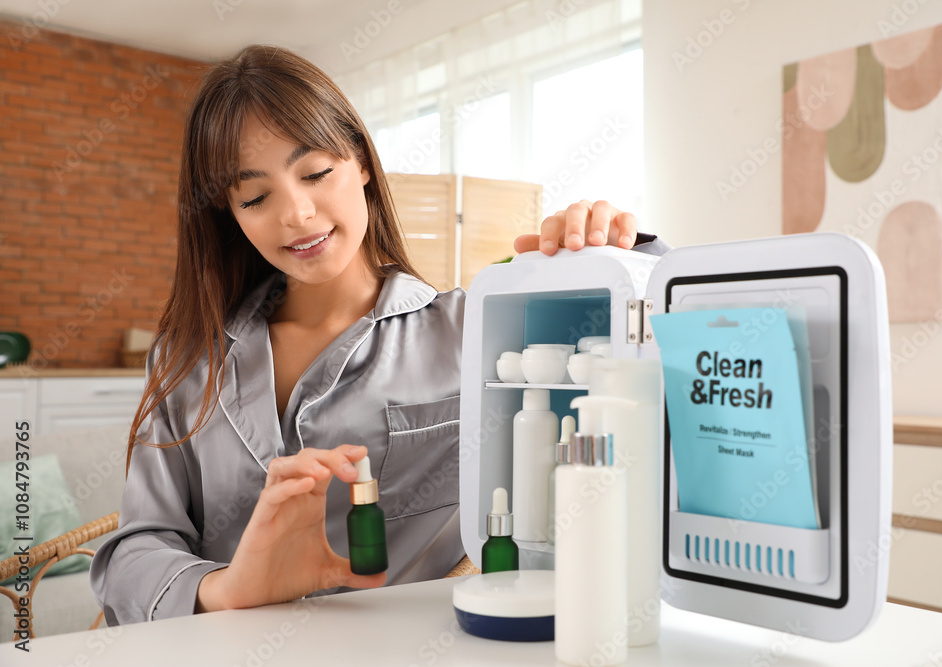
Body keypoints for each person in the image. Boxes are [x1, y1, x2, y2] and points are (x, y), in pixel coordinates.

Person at [90, 44, 654, 625]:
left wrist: (613, 254)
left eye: (315, 173)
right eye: (256, 196)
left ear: (360, 160)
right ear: (229, 213)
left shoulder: (474, 330)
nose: (298, 214)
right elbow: (133, 553)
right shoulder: (189, 359)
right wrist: (229, 588)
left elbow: (648, 366)